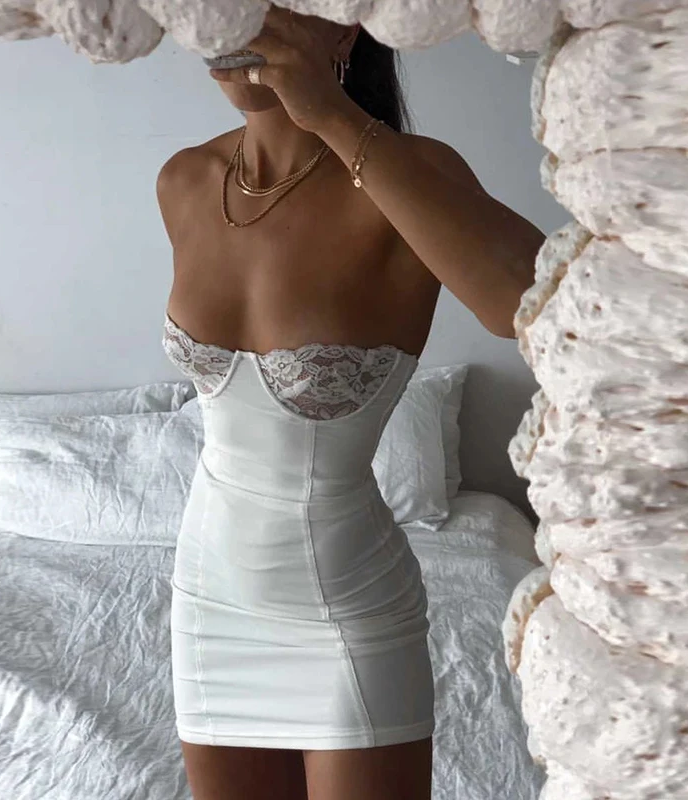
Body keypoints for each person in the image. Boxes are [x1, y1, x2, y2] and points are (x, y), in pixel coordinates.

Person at [156, 7, 545, 800]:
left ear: (343, 29)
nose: (233, 24)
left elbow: (528, 303)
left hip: (344, 611)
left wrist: (330, 115)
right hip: (206, 597)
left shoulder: (411, 176)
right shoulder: (184, 180)